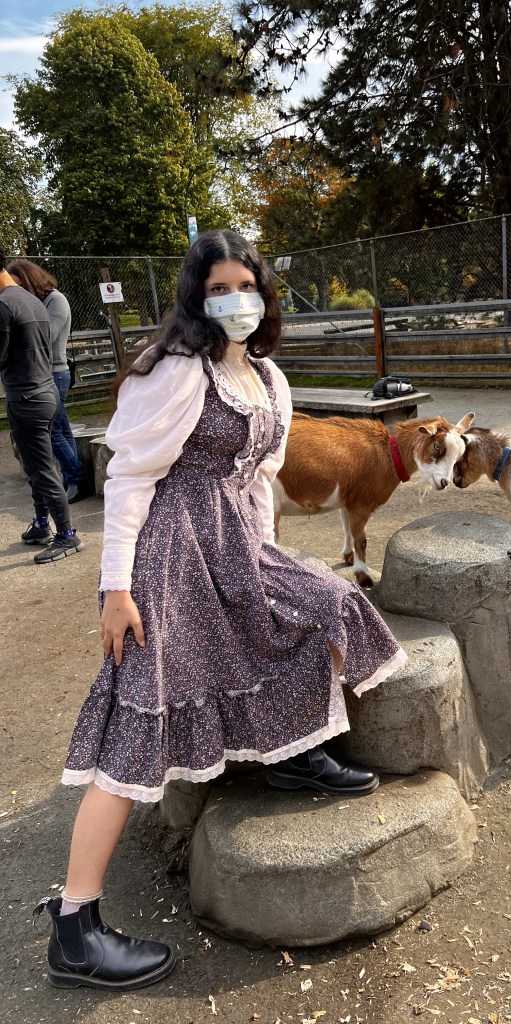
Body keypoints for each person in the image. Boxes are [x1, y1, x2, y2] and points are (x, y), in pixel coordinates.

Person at [34, 229, 407, 991]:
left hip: (237, 544)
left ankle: (293, 755)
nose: (235, 300)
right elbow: (129, 480)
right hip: (169, 557)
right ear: (196, 298)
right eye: (217, 289)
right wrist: (117, 590)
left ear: (265, 293)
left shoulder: (265, 374)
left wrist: (264, 562)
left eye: (246, 286)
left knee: (326, 602)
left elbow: (261, 476)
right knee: (138, 725)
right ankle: (74, 928)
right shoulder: (175, 370)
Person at [0, 247, 84, 563]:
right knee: (37, 465)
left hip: (27, 397)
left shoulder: (5, 304)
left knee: (43, 469)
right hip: (43, 391)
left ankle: (67, 535)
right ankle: (40, 525)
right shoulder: (31, 299)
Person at [7, 259, 88, 503]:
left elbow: (45, 337)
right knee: (62, 429)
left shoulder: (56, 300)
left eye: (19, 285)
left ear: (29, 279)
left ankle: (77, 478)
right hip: (44, 373)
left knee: (52, 433)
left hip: (54, 372)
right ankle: (73, 478)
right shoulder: (39, 302)